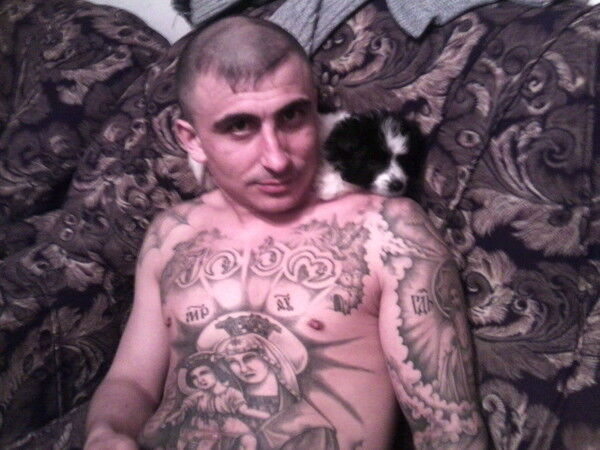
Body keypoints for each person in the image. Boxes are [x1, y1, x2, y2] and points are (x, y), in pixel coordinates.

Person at [84, 15, 488, 450]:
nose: (277, 159)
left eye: (292, 116)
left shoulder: (388, 232)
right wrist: (107, 433)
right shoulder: (172, 234)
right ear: (192, 139)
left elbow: (448, 429)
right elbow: (131, 381)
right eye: (240, 126)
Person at [162, 351, 269, 450]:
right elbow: (183, 408)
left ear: (216, 372)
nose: (200, 379)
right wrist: (173, 417)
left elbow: (244, 410)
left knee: (249, 440)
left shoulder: (231, 393)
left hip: (230, 428)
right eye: (194, 377)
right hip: (204, 430)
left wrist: (267, 416)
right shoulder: (198, 396)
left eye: (204, 373)